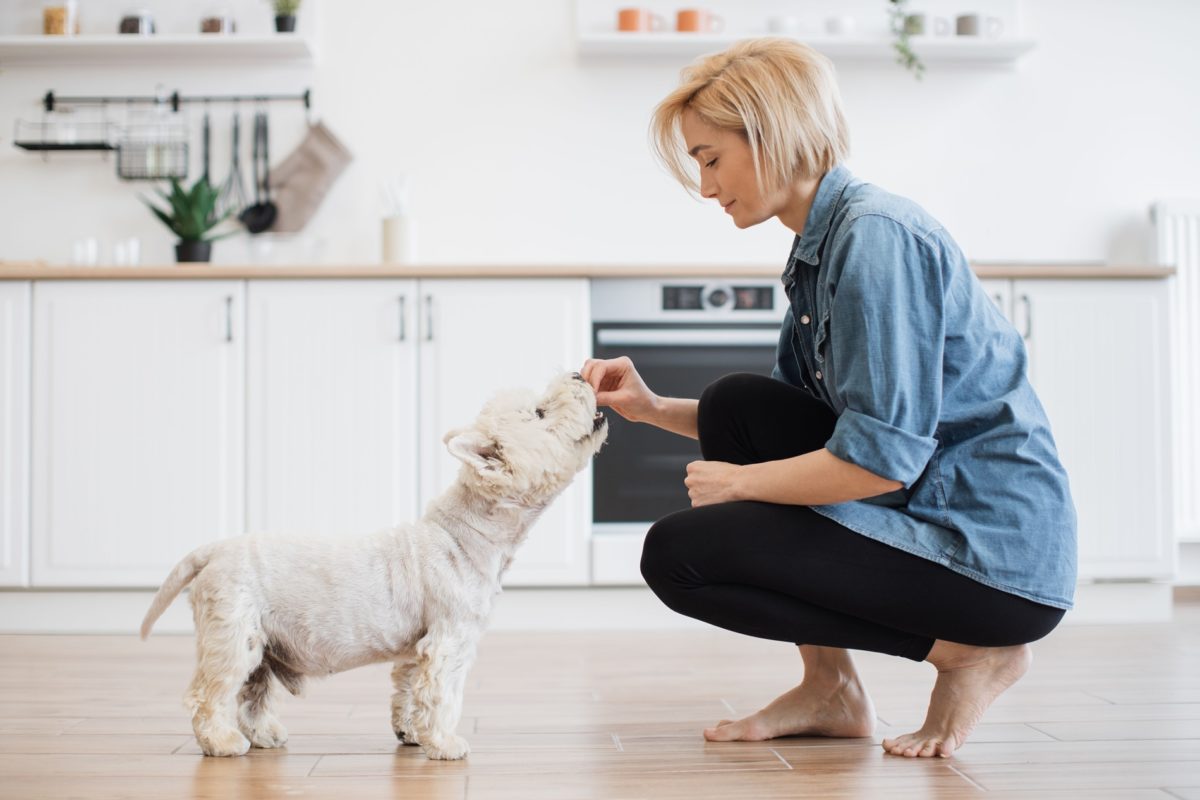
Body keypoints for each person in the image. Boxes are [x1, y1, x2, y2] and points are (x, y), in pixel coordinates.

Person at [580, 38, 1076, 759]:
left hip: (992, 560)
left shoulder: (875, 238)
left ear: (772, 133)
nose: (705, 185)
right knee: (735, 405)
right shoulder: (822, 247)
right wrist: (654, 410)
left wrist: (741, 484)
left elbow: (881, 461)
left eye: (711, 159)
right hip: (924, 516)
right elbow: (784, 428)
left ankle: (969, 653)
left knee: (677, 555)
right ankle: (831, 688)